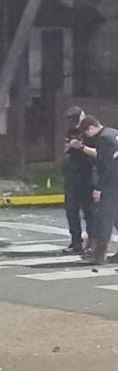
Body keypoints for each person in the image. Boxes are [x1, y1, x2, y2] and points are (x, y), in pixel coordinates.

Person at [69, 115, 118, 264]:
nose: (88, 137)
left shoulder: (103, 138)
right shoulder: (113, 133)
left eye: (87, 133)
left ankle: (99, 255)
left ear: (91, 128)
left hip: (112, 184)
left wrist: (99, 187)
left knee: (104, 218)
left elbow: (106, 165)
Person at [61, 106, 96, 254]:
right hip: (72, 174)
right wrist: (70, 145)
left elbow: (97, 153)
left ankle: (93, 241)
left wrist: (81, 147)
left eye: (75, 120)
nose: (74, 124)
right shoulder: (72, 130)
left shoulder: (91, 130)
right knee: (71, 209)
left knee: (90, 210)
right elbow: (65, 148)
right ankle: (76, 241)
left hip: (88, 174)